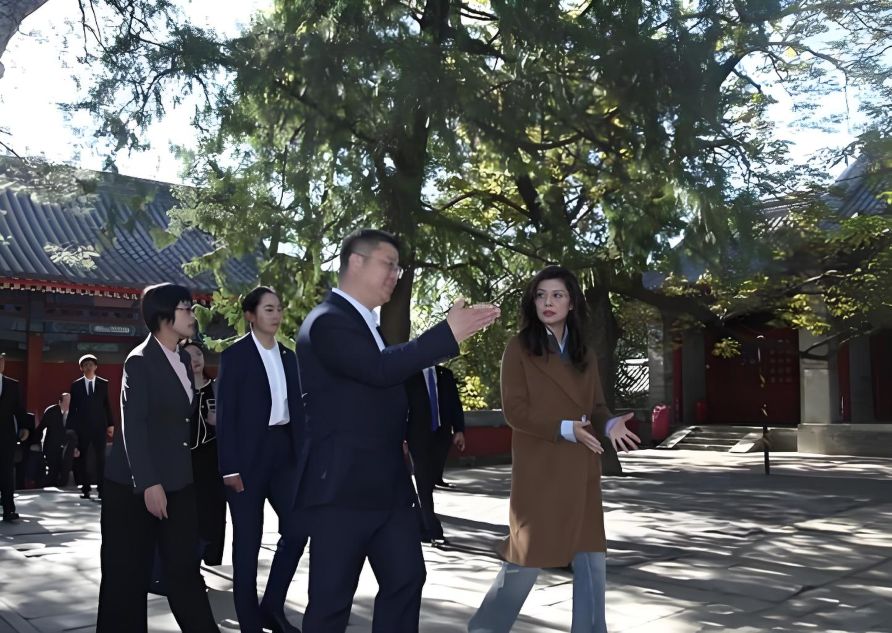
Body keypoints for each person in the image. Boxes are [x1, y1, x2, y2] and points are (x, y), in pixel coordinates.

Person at [295, 228, 500, 633]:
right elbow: (380, 369)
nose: (397, 275)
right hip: (342, 490)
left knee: (406, 580)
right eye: (389, 265)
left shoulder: (367, 324)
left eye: (399, 267)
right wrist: (447, 334)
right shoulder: (326, 322)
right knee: (331, 602)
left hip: (387, 488)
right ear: (356, 261)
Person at [467, 266, 640, 633]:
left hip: (581, 466)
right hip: (539, 467)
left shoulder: (584, 353)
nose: (548, 302)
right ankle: (484, 629)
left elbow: (596, 407)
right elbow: (514, 412)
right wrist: (566, 429)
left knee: (591, 557)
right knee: (526, 558)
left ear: (572, 302)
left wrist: (610, 425)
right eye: (541, 295)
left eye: (557, 295)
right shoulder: (519, 347)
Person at [97, 283, 219, 633]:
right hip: (132, 486)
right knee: (126, 579)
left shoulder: (183, 358)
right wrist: (149, 482)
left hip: (179, 483)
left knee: (183, 571)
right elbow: (133, 426)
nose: (193, 315)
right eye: (186, 308)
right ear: (164, 315)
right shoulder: (139, 360)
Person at [216, 286, 307, 633]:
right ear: (251, 315)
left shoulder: (289, 356)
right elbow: (226, 415)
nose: (276, 314)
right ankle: (249, 622)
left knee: (299, 529)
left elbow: (298, 412)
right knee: (247, 543)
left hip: (284, 454)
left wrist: (304, 459)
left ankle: (272, 606)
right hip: (246, 460)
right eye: (268, 309)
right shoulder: (235, 356)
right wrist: (229, 468)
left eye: (279, 308)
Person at [405, 364, 465, 546]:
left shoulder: (445, 375)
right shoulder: (409, 376)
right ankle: (433, 529)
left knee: (429, 481)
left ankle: (421, 526)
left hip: (442, 435)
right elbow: (401, 407)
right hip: (417, 436)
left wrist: (459, 430)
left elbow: (455, 403)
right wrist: (402, 438)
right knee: (423, 482)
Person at [182, 341, 226, 567]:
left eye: (198, 354)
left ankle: (211, 555)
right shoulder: (178, 390)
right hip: (184, 461)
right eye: (188, 356)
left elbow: (236, 424)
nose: (195, 359)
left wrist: (219, 423)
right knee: (188, 514)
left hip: (213, 459)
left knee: (213, 511)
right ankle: (190, 561)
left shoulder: (218, 387)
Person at [69, 353, 113, 499]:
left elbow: (107, 405)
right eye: (85, 365)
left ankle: (102, 488)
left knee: (101, 458)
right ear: (81, 368)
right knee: (83, 458)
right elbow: (73, 408)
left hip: (99, 426)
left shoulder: (103, 383)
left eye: (91, 364)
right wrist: (71, 428)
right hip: (83, 427)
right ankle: (86, 488)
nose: (89, 367)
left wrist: (111, 424)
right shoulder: (76, 385)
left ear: (96, 367)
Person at [0, 352, 29, 522]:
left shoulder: (12, 385)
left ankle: (9, 509)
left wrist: (24, 427)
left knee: (6, 472)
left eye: (2, 360)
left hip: (6, 436)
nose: (1, 363)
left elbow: (19, 408)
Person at [41, 393, 79, 487]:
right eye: (66, 402)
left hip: (66, 447)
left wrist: (76, 447)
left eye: (70, 402)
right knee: (52, 473)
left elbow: (77, 432)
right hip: (52, 446)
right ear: (60, 402)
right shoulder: (51, 411)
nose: (68, 404)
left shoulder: (73, 414)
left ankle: (63, 483)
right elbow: (41, 428)